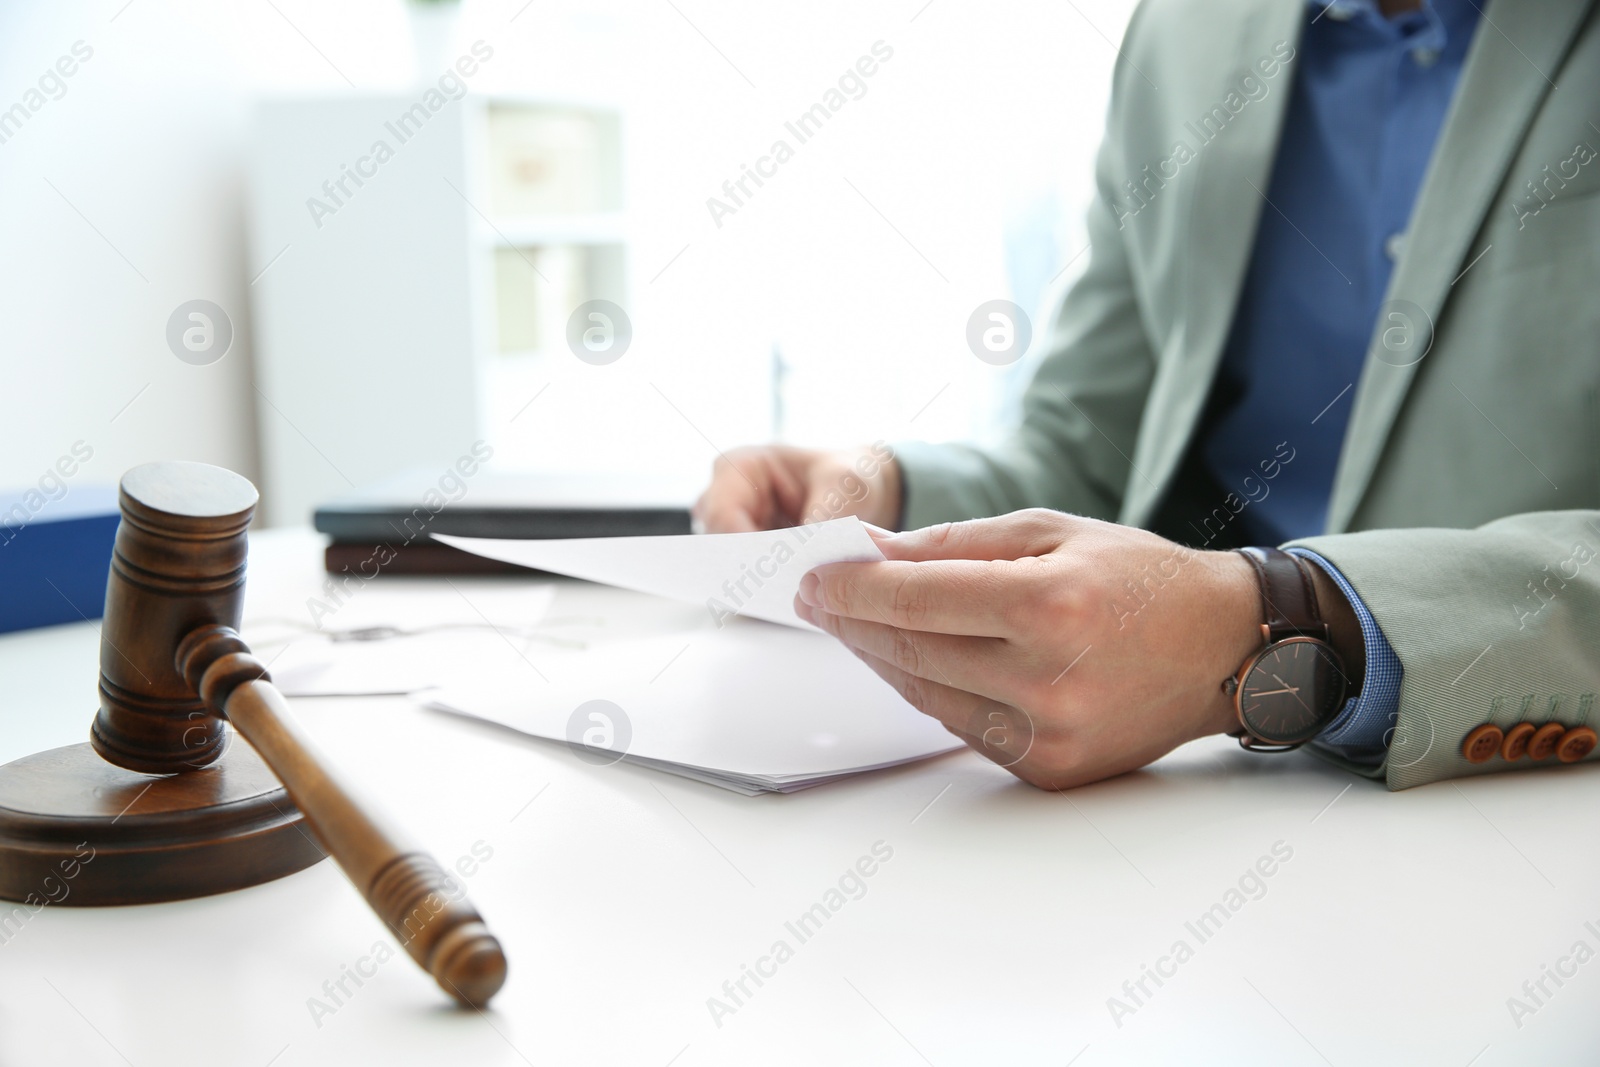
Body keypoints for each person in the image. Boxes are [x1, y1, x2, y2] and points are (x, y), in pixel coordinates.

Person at [693, 0, 1600, 791]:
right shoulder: (1185, 32)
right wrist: (890, 497)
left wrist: (1270, 626)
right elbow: (1087, 453)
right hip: (1191, 794)